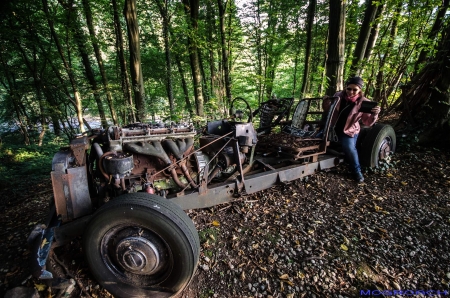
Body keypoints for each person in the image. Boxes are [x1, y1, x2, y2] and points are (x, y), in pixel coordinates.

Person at [323, 77, 381, 182]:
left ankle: (356, 171)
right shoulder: (337, 96)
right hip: (332, 129)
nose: (351, 92)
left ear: (360, 90)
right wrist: (326, 102)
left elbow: (367, 122)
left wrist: (374, 114)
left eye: (355, 90)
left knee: (349, 149)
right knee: (315, 139)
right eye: (349, 89)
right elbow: (327, 110)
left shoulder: (364, 103)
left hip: (348, 131)